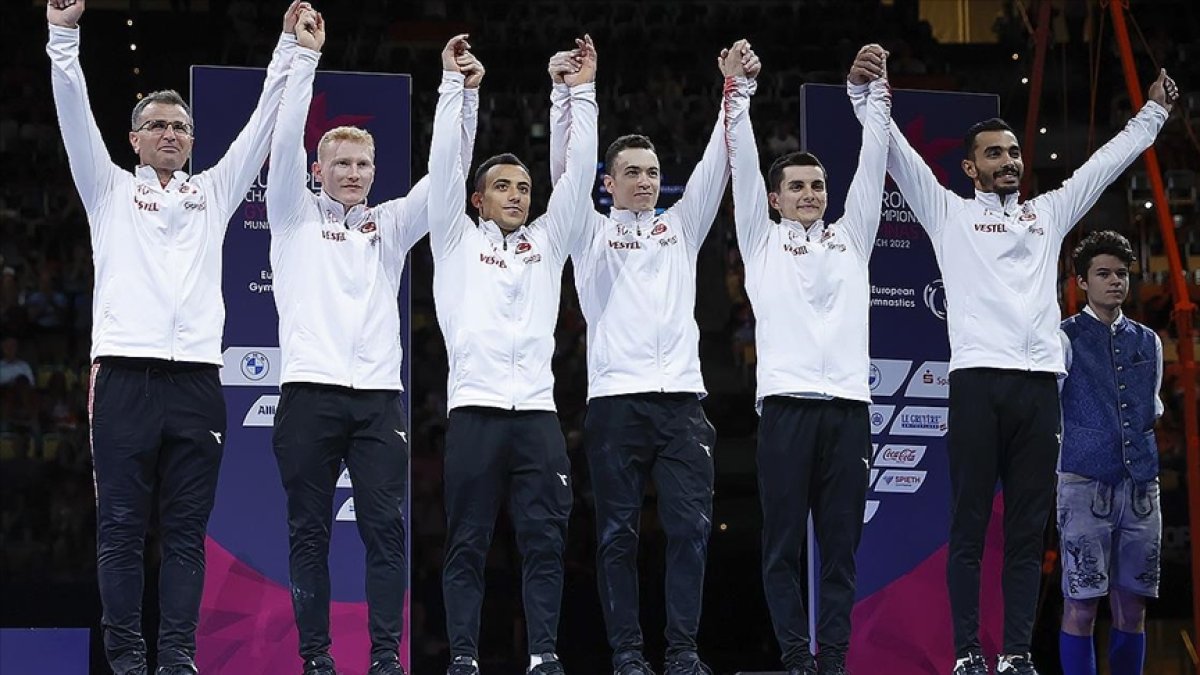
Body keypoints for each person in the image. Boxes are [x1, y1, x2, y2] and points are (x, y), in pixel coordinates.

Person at [851, 43, 1179, 673]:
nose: (1009, 161)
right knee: (969, 528)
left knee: (1028, 532)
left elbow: (1104, 165)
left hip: (1038, 390)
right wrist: (867, 94)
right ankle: (968, 653)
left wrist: (1153, 116)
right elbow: (895, 151)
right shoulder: (947, 211)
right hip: (978, 384)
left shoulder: (1046, 214)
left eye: (1013, 152)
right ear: (970, 168)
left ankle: (1017, 655)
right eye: (994, 154)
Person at [46, 0, 309, 673]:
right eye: (157, 125)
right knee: (121, 530)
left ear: (192, 140)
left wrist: (289, 49)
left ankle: (177, 659)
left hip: (196, 381)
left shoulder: (213, 193)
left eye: (181, 126)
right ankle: (127, 660)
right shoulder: (107, 189)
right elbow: (73, 114)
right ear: (134, 139)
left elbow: (259, 126)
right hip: (123, 378)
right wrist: (62, 36)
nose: (170, 133)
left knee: (187, 534)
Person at [264, 9, 480, 675]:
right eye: (342, 163)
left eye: (363, 163)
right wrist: (304, 57)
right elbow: (282, 140)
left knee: (387, 532)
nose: (354, 172)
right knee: (309, 533)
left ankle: (386, 658)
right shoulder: (292, 215)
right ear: (318, 169)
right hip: (308, 395)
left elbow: (447, 178)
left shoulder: (388, 225)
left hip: (379, 402)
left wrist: (459, 93)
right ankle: (317, 660)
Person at [545, 36, 749, 675]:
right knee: (617, 536)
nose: (645, 181)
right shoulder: (589, 232)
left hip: (683, 406)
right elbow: (566, 173)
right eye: (632, 172)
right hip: (614, 405)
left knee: (691, 531)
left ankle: (683, 652)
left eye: (653, 172)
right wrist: (574, 95)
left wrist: (734, 89)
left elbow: (717, 162)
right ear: (608, 183)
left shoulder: (681, 228)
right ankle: (629, 656)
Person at [428, 34, 598, 675]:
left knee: (546, 543)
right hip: (473, 414)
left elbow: (577, 178)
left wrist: (579, 93)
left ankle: (544, 655)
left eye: (524, 187)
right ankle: (464, 657)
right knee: (467, 544)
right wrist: (456, 89)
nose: (518, 195)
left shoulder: (548, 243)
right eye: (503, 186)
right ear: (478, 199)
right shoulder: (453, 238)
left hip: (537, 418)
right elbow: (445, 166)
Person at [729, 42, 889, 675]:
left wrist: (874, 96)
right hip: (787, 412)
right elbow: (742, 165)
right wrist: (738, 93)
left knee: (842, 550)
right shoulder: (760, 241)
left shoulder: (853, 237)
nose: (810, 194)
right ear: (774, 199)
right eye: (795, 186)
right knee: (781, 548)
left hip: (849, 411)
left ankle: (835, 660)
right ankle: (797, 657)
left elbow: (873, 164)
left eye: (818, 185)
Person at [1056, 231, 1163, 675]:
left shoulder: (1148, 340)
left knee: (1133, 606)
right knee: (1081, 605)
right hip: (1084, 484)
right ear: (1082, 282)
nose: (1115, 281)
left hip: (1141, 489)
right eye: (1103, 274)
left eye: (1121, 273)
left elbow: (1152, 407)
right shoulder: (1063, 338)